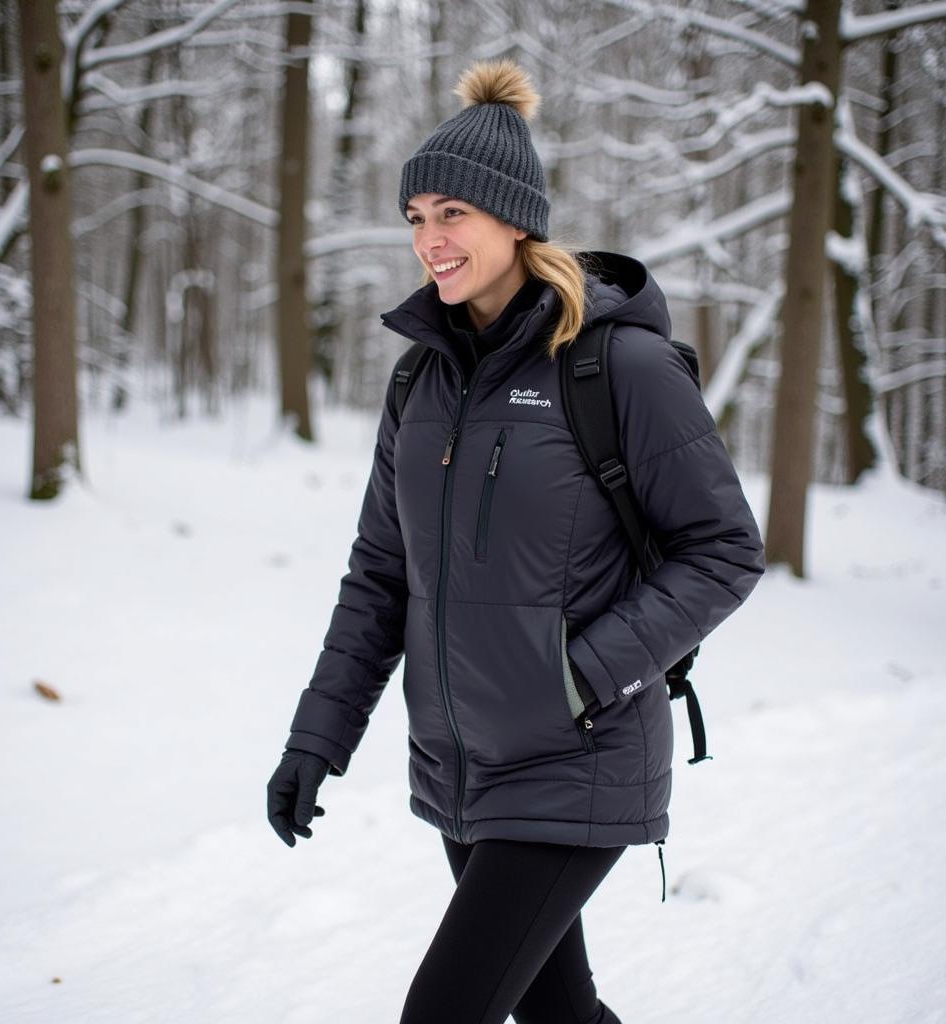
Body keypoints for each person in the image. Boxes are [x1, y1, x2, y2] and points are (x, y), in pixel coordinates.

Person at [267, 57, 765, 1024]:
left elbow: (724, 550)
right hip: (461, 761)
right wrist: (314, 741)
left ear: (514, 219)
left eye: (451, 213)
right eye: (415, 217)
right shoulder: (422, 382)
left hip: (575, 753)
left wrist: (575, 677)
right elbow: (381, 577)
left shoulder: (620, 367)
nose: (429, 240)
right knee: (557, 1014)